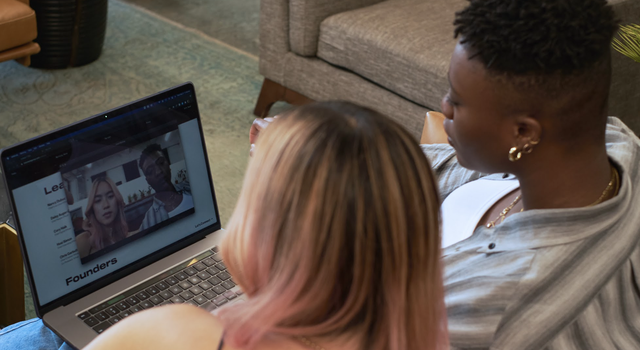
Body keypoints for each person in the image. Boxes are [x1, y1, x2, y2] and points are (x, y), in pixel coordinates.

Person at [250, 1, 640, 348]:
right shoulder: (615, 144)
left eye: (456, 100)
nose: (443, 107)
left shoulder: (483, 306)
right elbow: (445, 166)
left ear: (523, 132)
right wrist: (323, 153)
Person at [0, 102, 448, 350]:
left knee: (38, 335)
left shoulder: (182, 331)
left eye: (253, 193)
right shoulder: (417, 328)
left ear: (278, 238)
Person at [137, 143, 193, 231]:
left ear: (169, 165)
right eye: (150, 171)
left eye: (161, 163)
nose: (159, 171)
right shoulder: (148, 223)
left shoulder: (192, 188)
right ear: (148, 181)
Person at [75, 177, 130, 259]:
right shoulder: (83, 241)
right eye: (98, 200)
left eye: (110, 196)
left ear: (117, 201)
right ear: (92, 208)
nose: (106, 205)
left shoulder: (128, 236)